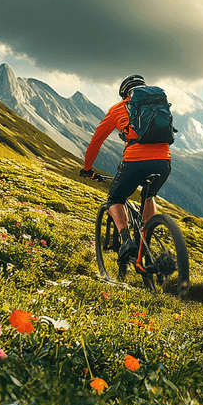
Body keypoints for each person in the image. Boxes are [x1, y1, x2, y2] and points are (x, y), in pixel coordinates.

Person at [80, 74, 172, 263]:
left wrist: (87, 168)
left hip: (134, 161)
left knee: (116, 198)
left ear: (125, 94)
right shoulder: (158, 105)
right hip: (163, 162)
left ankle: (126, 240)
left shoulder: (117, 109)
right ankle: (147, 241)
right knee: (148, 195)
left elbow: (96, 141)